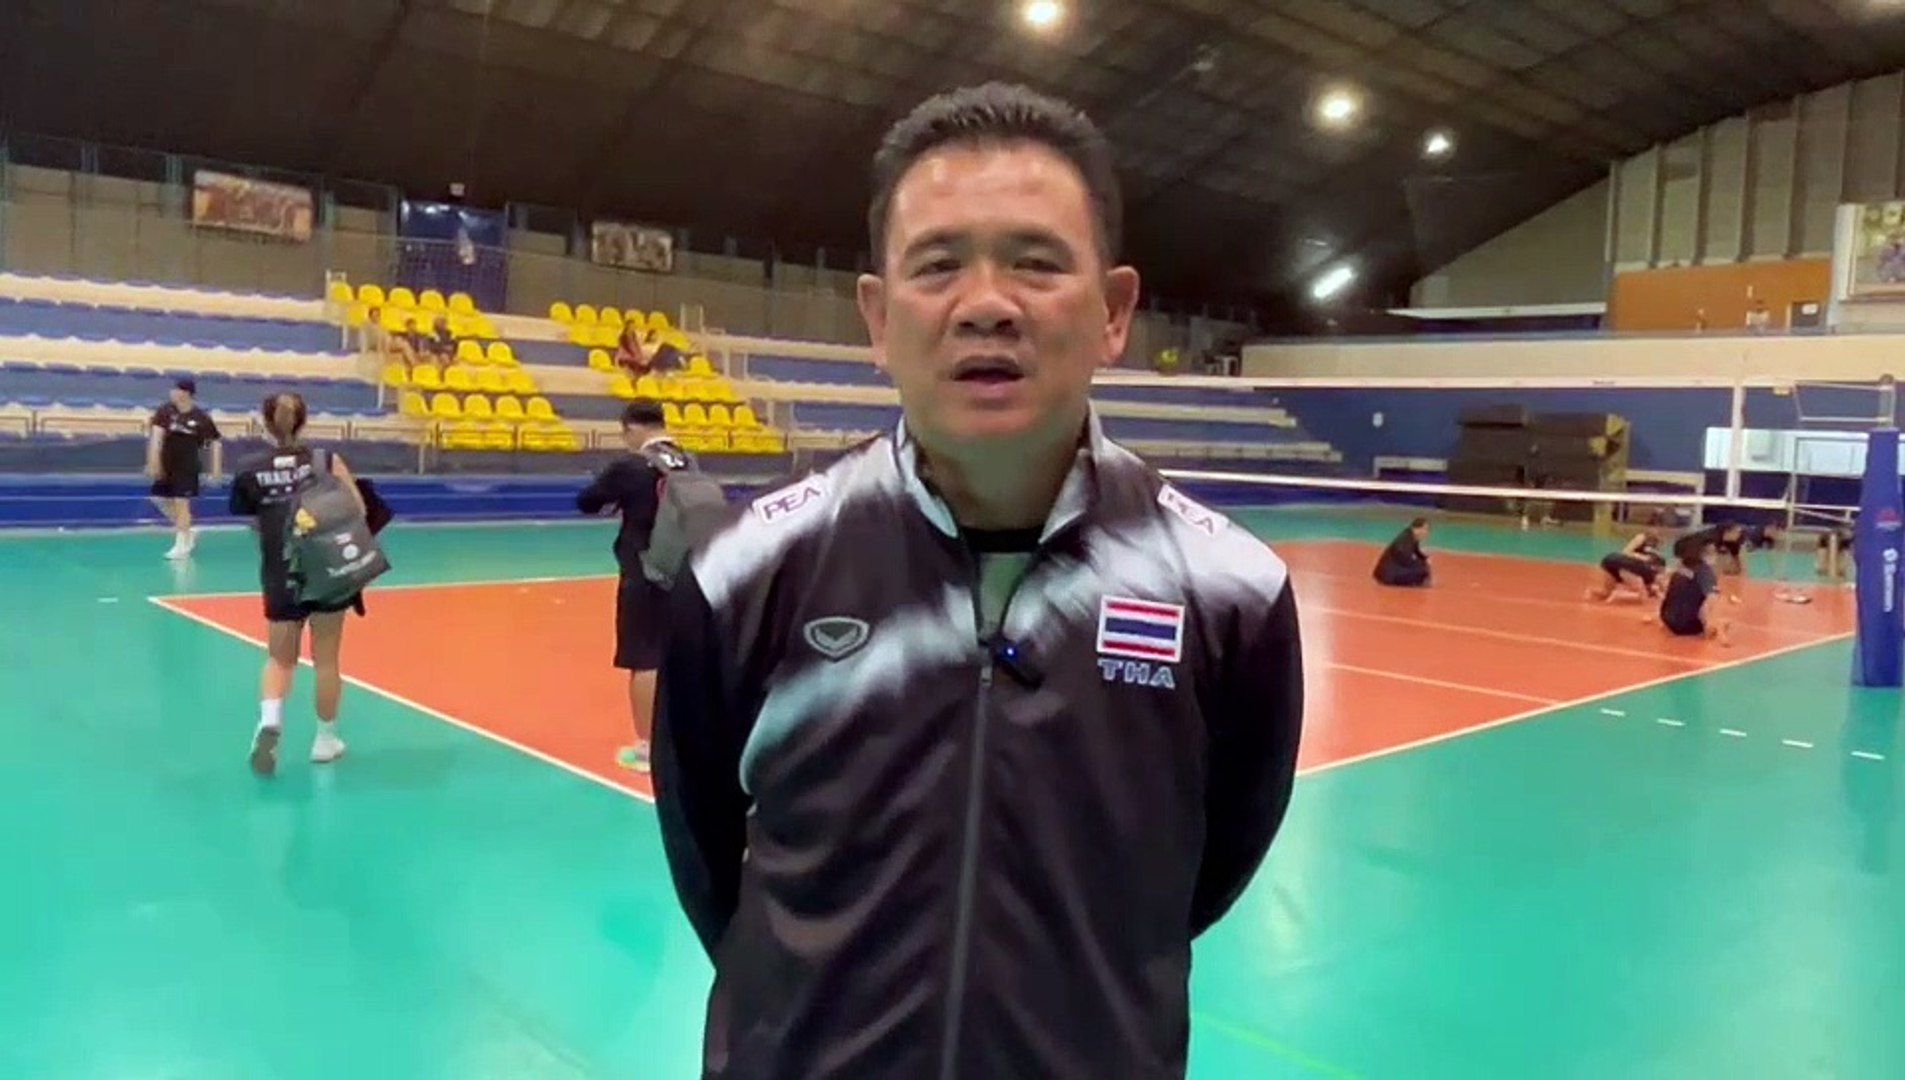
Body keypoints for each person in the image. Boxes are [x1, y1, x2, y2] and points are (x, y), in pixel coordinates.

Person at [650, 83, 1304, 1080]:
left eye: (1036, 263)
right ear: (878, 318)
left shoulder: (1228, 593)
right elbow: (709, 868)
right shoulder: (747, 575)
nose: (987, 304)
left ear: (1114, 311)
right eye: (937, 265)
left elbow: (1206, 871)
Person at [228, 392, 364, 776]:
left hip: (280, 572)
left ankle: (270, 720)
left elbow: (253, 520)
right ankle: (325, 740)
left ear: (265, 423)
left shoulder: (250, 469)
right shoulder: (326, 461)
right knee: (326, 659)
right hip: (327, 572)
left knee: (279, 659)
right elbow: (357, 509)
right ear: (303, 421)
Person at [576, 399, 684, 773]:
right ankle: (679, 738)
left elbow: (587, 502)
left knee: (644, 659)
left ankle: (648, 748)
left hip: (644, 572)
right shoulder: (686, 461)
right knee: (678, 657)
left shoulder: (631, 466)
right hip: (685, 570)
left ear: (633, 428)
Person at [146, 376, 222, 560]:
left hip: (187, 467)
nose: (172, 392)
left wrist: (216, 470)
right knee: (158, 499)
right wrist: (153, 462)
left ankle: (181, 546)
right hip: (167, 465)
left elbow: (215, 443)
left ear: (186, 393)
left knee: (182, 503)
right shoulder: (165, 412)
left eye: (176, 389)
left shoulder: (201, 418)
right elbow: (156, 438)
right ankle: (187, 530)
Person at [1649, 534, 1732, 646]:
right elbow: (1713, 601)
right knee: (1713, 597)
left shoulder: (1682, 565)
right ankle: (1708, 628)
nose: (1716, 554)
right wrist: (1722, 634)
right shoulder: (1704, 571)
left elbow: (1667, 588)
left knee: (1687, 592)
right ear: (1702, 552)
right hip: (1687, 626)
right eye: (1712, 551)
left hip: (1667, 619)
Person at [1585, 526, 1665, 602]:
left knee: (1606, 593)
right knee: (1642, 595)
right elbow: (1626, 551)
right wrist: (1641, 557)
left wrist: (1657, 592)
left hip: (1616, 563)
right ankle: (1618, 595)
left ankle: (1589, 593)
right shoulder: (1642, 538)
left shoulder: (1650, 568)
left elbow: (1659, 584)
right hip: (1625, 565)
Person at [1373, 516, 1432, 586]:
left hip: (1391, 570)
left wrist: (1424, 559)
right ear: (1418, 529)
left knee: (1422, 567)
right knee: (1421, 570)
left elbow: (1416, 551)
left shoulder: (1412, 536)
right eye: (1425, 529)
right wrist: (1418, 563)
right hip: (1389, 574)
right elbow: (1403, 557)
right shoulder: (1406, 538)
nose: (1426, 532)